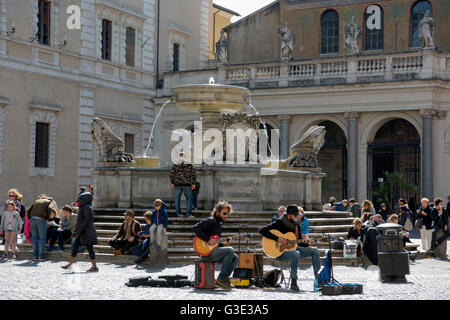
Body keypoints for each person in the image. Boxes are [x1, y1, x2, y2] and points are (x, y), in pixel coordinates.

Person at [192, 200, 238, 291]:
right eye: (224, 213)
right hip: (205, 253)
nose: (226, 216)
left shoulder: (219, 225)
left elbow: (215, 244)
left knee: (235, 257)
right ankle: (221, 279)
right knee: (230, 250)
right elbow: (195, 228)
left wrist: (224, 244)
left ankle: (223, 279)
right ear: (217, 212)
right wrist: (208, 239)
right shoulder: (211, 220)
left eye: (227, 214)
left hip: (212, 252)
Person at [259, 205, 301, 292]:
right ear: (289, 215)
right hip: (280, 253)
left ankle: (320, 282)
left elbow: (299, 242)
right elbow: (262, 230)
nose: (297, 217)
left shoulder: (296, 226)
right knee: (296, 253)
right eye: (295, 215)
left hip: (293, 250)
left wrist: (308, 243)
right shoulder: (279, 222)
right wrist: (278, 238)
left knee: (314, 251)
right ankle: (293, 282)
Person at [62, 191, 98, 272]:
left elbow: (85, 221)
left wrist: (77, 231)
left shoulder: (86, 207)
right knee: (75, 247)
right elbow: (80, 221)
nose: (78, 200)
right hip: (82, 232)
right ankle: (69, 264)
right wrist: (76, 231)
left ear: (85, 199)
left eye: (80, 199)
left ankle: (94, 266)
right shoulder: (84, 207)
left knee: (90, 248)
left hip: (87, 231)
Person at [27, 194, 57, 260]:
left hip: (33, 219)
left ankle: (35, 256)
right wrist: (46, 218)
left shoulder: (36, 201)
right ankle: (41, 256)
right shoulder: (48, 202)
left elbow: (28, 210)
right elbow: (50, 209)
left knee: (34, 238)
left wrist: (30, 217)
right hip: (41, 219)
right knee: (42, 238)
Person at [296, 207, 321, 282]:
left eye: (301, 213)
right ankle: (293, 279)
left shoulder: (305, 220)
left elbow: (306, 230)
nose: (299, 215)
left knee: (315, 250)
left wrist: (306, 239)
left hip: (301, 242)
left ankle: (318, 277)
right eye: (298, 213)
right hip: (291, 250)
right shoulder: (292, 222)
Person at [170, 152, 197, 218]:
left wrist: (173, 182)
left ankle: (179, 213)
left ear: (179, 156)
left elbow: (171, 174)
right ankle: (188, 214)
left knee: (177, 199)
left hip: (177, 184)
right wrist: (193, 183)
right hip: (187, 184)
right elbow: (193, 174)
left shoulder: (176, 164)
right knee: (189, 199)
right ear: (185, 156)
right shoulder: (189, 164)